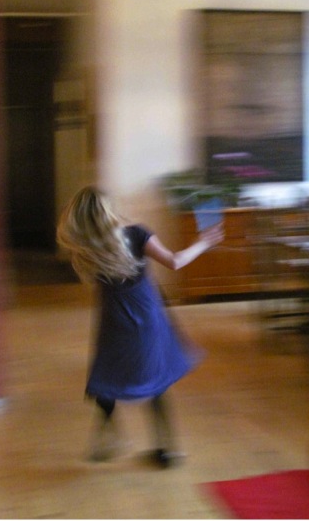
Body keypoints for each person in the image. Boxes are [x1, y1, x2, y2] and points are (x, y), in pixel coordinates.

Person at [57, 185, 224, 467]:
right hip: (146, 318)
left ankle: (109, 438)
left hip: (113, 322)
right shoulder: (136, 234)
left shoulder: (88, 249)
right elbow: (174, 261)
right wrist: (203, 243)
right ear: (108, 210)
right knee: (156, 379)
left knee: (105, 377)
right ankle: (166, 449)